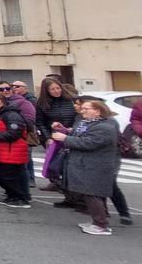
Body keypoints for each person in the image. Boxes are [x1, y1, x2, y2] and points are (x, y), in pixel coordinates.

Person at [50, 98, 120, 234]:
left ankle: (102, 225)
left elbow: (88, 143)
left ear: (98, 111)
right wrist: (64, 130)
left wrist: (65, 138)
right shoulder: (89, 123)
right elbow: (79, 134)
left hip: (95, 165)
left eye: (86, 109)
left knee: (93, 194)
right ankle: (98, 222)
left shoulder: (105, 127)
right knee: (90, 194)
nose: (82, 111)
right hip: (86, 164)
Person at [0, 91, 31, 208]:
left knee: (10, 176)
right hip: (2, 152)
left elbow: (14, 133)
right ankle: (12, 196)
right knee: (1, 176)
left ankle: (20, 198)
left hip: (12, 153)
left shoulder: (12, 115)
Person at [36, 78, 77, 191]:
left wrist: (72, 129)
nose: (56, 91)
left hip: (70, 134)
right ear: (46, 91)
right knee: (53, 162)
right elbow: (40, 122)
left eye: (58, 88)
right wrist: (47, 137)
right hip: (53, 135)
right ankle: (56, 182)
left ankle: (67, 186)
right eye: (52, 89)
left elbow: (78, 116)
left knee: (68, 162)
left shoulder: (71, 99)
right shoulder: (42, 103)